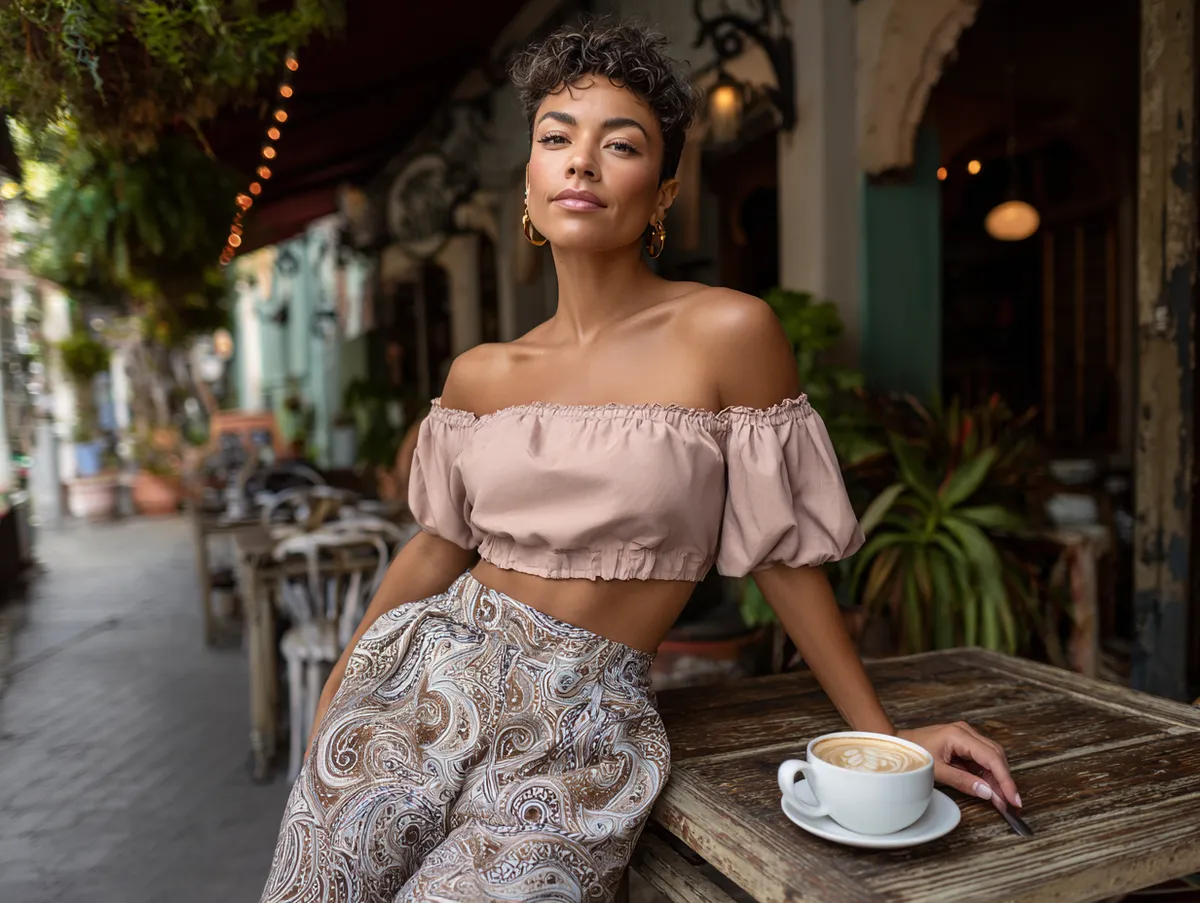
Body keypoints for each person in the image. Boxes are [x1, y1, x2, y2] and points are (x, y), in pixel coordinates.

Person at [260, 20, 1021, 903]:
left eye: (619, 144)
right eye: (556, 138)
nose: (580, 162)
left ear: (662, 191)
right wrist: (339, 698)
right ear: (531, 185)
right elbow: (435, 549)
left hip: (585, 724)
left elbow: (781, 556)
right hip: (413, 688)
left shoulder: (727, 333)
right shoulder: (480, 372)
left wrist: (884, 740)